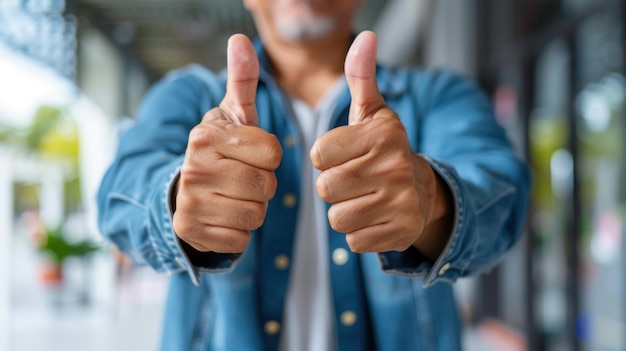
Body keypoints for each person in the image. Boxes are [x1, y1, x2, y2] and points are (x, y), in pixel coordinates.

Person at [97, 0, 531, 350]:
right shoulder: (189, 97)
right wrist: (176, 197)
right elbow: (118, 193)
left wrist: (432, 197)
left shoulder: (438, 97)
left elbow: (504, 192)